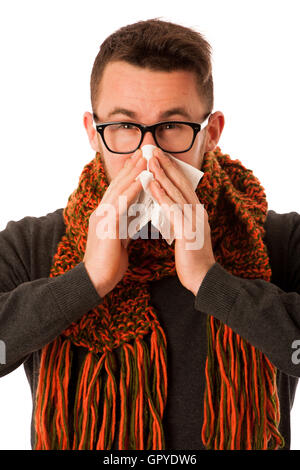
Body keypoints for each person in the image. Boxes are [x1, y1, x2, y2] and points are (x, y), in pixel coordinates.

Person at [0, 18, 300, 451]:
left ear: (210, 133)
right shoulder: (33, 245)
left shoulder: (278, 240)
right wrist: (87, 281)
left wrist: (211, 281)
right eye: (124, 127)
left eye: (172, 126)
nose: (148, 153)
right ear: (92, 132)